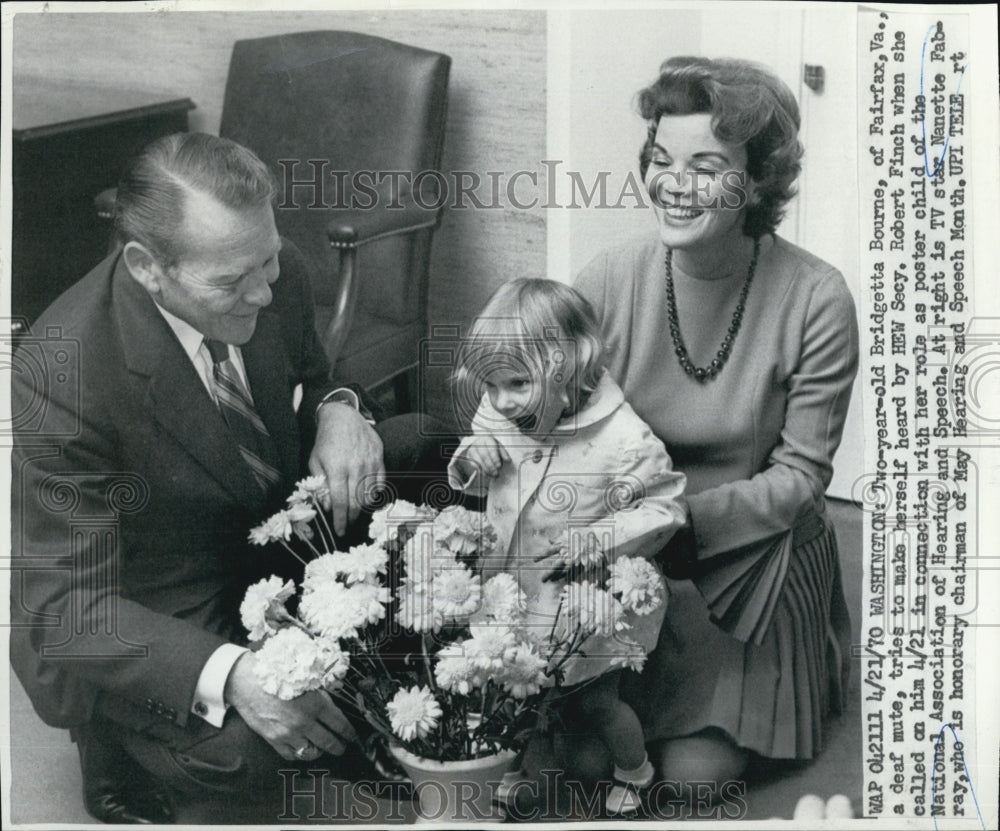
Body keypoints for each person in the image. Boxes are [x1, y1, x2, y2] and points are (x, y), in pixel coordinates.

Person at [9, 132, 449, 824]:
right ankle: (115, 733)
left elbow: (316, 372)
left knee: (426, 446)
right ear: (148, 267)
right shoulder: (59, 370)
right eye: (234, 281)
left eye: (268, 260)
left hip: (263, 523)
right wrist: (236, 674)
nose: (266, 289)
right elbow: (67, 611)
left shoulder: (269, 266)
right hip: (166, 588)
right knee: (255, 753)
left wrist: (338, 408)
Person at [573, 56, 860, 805]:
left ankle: (812, 663)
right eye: (661, 160)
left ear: (757, 181)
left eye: (706, 166)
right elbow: (551, 415)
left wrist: (673, 521)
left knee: (693, 780)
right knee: (570, 752)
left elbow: (801, 481)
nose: (674, 184)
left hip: (749, 554)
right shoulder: (610, 276)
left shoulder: (817, 297)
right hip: (624, 549)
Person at [448, 279, 687, 815]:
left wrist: (597, 538)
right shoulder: (498, 416)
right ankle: (506, 769)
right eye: (491, 386)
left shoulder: (623, 437)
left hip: (581, 603)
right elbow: (474, 467)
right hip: (510, 589)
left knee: (597, 704)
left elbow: (665, 507)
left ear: (568, 368)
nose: (502, 402)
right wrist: (471, 460)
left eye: (516, 384)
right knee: (505, 688)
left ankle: (635, 770)